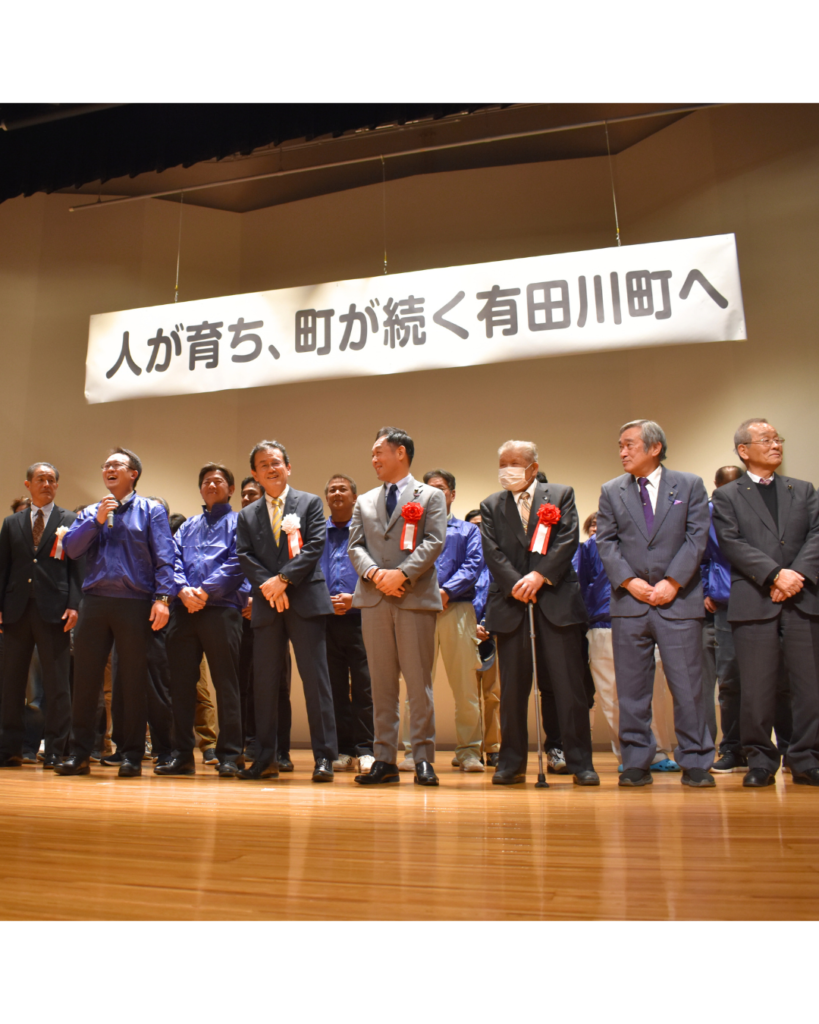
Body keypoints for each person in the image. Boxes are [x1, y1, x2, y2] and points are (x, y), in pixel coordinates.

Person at [596, 420, 715, 788]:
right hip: (629, 603)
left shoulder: (689, 484)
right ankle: (635, 761)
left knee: (688, 687)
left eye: (629, 444)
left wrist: (673, 581)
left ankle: (696, 760)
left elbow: (697, 538)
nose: (622, 452)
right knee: (631, 690)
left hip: (678, 601)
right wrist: (630, 582)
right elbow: (606, 542)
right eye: (620, 445)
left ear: (655, 447)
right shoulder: (611, 490)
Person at [479, 440, 598, 786]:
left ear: (532, 467)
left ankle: (580, 762)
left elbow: (567, 539)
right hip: (512, 603)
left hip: (556, 602)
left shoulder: (560, 495)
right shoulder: (491, 505)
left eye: (514, 464)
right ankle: (511, 763)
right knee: (513, 691)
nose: (507, 470)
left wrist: (539, 576)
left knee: (568, 688)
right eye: (502, 464)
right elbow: (492, 551)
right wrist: (518, 583)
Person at [55, 447, 176, 777]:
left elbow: (165, 557)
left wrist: (163, 598)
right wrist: (95, 521)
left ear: (133, 474)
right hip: (94, 602)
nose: (109, 469)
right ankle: (80, 753)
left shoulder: (151, 510)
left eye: (116, 465)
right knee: (85, 679)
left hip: (134, 602)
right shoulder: (92, 511)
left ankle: (132, 754)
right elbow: (71, 549)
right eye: (105, 465)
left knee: (132, 680)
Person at [712, 419, 819, 787]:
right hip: (755, 600)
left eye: (778, 439)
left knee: (809, 686)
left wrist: (795, 575)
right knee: (756, 688)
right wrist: (775, 574)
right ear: (743, 450)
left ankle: (806, 758)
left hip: (802, 598)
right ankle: (760, 760)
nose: (776, 445)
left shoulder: (803, 490)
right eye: (766, 439)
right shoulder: (727, 496)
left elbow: (816, 536)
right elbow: (731, 543)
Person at [347, 426, 447, 786]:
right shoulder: (364, 500)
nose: (373, 459)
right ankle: (384, 758)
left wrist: (402, 574)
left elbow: (434, 540)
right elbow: (355, 546)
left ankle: (422, 758)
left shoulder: (430, 495)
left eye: (379, 452)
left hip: (413, 598)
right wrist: (376, 573)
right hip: (374, 599)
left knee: (419, 684)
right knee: (381, 684)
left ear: (400, 453)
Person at [236, 440, 338, 781]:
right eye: (263, 464)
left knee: (316, 682)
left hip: (305, 601)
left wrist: (283, 580)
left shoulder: (309, 503)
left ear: (288, 467)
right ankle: (266, 759)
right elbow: (245, 554)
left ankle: (324, 758)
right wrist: (270, 586)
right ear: (255, 474)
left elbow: (315, 546)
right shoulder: (247, 514)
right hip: (267, 605)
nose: (271, 468)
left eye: (276, 462)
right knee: (265, 683)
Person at [159, 463, 249, 778]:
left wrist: (206, 591)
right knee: (181, 685)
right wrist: (183, 590)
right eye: (207, 481)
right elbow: (171, 559)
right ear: (200, 489)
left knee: (227, 684)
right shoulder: (187, 525)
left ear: (231, 489)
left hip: (222, 610)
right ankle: (181, 756)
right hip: (184, 611)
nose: (212, 485)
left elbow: (238, 562)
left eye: (218, 481)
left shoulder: (240, 523)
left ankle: (230, 756)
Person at [575, 510, 680, 770]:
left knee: (652, 692)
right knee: (611, 693)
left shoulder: (645, 542)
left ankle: (658, 752)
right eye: (595, 524)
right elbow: (579, 585)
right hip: (602, 623)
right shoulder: (589, 548)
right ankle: (629, 754)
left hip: (646, 620)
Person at [0, 462, 83, 768]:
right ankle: (9, 748)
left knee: (58, 684)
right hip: (16, 611)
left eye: (51, 480)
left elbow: (77, 568)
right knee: (11, 684)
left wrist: (74, 604)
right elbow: (3, 567)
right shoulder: (11, 523)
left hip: (55, 611)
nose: (46, 484)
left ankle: (56, 751)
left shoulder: (70, 520)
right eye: (40, 479)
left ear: (57, 486)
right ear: (28, 484)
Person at [420, 470, 484, 772]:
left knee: (465, 687)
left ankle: (469, 751)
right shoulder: (412, 530)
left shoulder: (468, 531)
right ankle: (416, 751)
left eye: (441, 489)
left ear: (452, 494)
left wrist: (446, 592)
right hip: (419, 611)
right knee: (418, 687)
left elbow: (473, 565)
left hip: (457, 608)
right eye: (428, 489)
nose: (434, 494)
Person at [320, 474, 375, 774]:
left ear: (355, 497)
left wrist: (355, 599)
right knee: (336, 688)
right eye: (332, 490)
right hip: (327, 622)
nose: (337, 493)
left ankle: (366, 749)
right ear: (327, 498)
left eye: (343, 489)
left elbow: (378, 573)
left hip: (362, 618)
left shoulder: (366, 531)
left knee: (365, 687)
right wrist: (322, 601)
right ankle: (342, 750)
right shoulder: (317, 533)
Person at [238, 475, 293, 770]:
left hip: (273, 610)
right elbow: (236, 566)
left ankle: (281, 750)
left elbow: (279, 569)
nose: (248, 498)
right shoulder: (241, 524)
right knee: (245, 685)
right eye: (244, 494)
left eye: (253, 494)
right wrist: (243, 599)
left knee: (278, 687)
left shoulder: (275, 525)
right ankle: (251, 744)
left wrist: (260, 596)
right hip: (240, 618)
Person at [465, 509, 501, 768]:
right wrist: (471, 626)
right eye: (473, 526)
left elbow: (502, 596)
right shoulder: (463, 561)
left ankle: (493, 748)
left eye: (482, 525)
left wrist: (487, 624)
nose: (478, 530)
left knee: (493, 696)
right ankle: (470, 750)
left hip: (492, 635)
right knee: (467, 696)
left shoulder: (497, 561)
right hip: (464, 634)